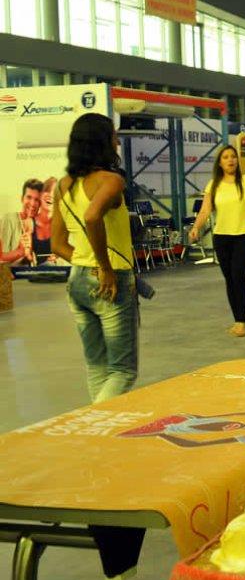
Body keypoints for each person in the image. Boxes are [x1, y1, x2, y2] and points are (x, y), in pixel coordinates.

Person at [49, 113, 138, 403]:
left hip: (77, 280)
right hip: (111, 280)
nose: (117, 142)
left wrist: (87, 263)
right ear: (103, 142)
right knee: (123, 371)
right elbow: (92, 216)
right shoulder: (112, 181)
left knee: (97, 366)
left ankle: (99, 423)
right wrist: (104, 268)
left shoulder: (63, 186)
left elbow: (57, 244)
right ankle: (93, 423)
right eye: (113, 136)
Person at [188, 146, 245, 337]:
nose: (230, 160)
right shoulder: (213, 185)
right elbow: (205, 210)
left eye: (233, 156)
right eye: (225, 157)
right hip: (221, 238)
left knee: (239, 276)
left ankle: (242, 321)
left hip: (244, 236)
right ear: (220, 163)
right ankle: (237, 319)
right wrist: (196, 227)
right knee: (230, 279)